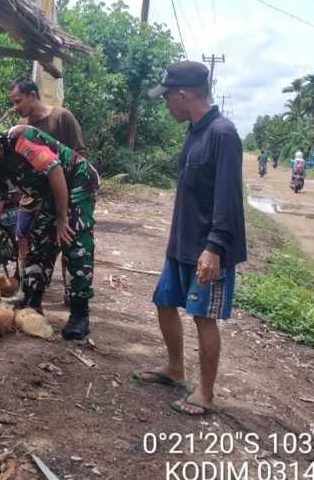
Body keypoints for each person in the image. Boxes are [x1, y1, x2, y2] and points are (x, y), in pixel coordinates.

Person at [133, 61, 247, 416]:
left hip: (206, 250)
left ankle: (206, 393)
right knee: (165, 302)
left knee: (202, 317)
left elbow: (228, 199)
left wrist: (214, 248)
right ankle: (175, 369)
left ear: (183, 95)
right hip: (180, 244)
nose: (166, 105)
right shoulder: (195, 131)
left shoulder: (222, 134)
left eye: (167, 98)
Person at [0, 124, 99, 340]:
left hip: (77, 181)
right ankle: (31, 300)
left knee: (73, 240)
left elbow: (56, 170)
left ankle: (80, 313)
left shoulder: (19, 138)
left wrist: (61, 218)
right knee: (40, 240)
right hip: (52, 192)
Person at [8, 78, 87, 303]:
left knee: (67, 240)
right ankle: (28, 290)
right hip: (32, 198)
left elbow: (80, 155)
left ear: (33, 95)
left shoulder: (61, 117)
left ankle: (73, 296)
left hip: (64, 194)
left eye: (18, 101)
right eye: (13, 102)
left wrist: (69, 192)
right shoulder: (21, 126)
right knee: (24, 237)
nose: (16, 107)